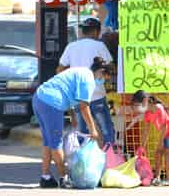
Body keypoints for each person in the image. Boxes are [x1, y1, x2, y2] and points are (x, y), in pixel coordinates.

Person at [33, 57, 112, 189]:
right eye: (104, 78)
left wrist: (72, 116)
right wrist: (93, 129)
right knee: (56, 142)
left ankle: (45, 177)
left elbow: (66, 91)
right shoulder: (88, 80)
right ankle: (64, 178)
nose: (102, 81)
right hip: (52, 103)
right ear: (100, 72)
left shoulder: (81, 71)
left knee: (48, 141)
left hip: (39, 98)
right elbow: (84, 107)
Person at [57, 17, 115, 146]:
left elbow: (59, 69)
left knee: (82, 132)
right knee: (106, 130)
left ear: (83, 31)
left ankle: (82, 163)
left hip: (78, 96)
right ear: (96, 31)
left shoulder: (71, 46)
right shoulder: (99, 45)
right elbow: (111, 67)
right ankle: (110, 159)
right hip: (97, 94)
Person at [131, 90, 169, 187]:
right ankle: (157, 178)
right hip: (166, 132)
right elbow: (146, 131)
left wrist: (160, 143)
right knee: (158, 154)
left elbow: (165, 127)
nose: (137, 108)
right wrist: (142, 147)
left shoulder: (158, 108)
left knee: (166, 153)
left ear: (145, 101)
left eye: (137, 105)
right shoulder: (148, 113)